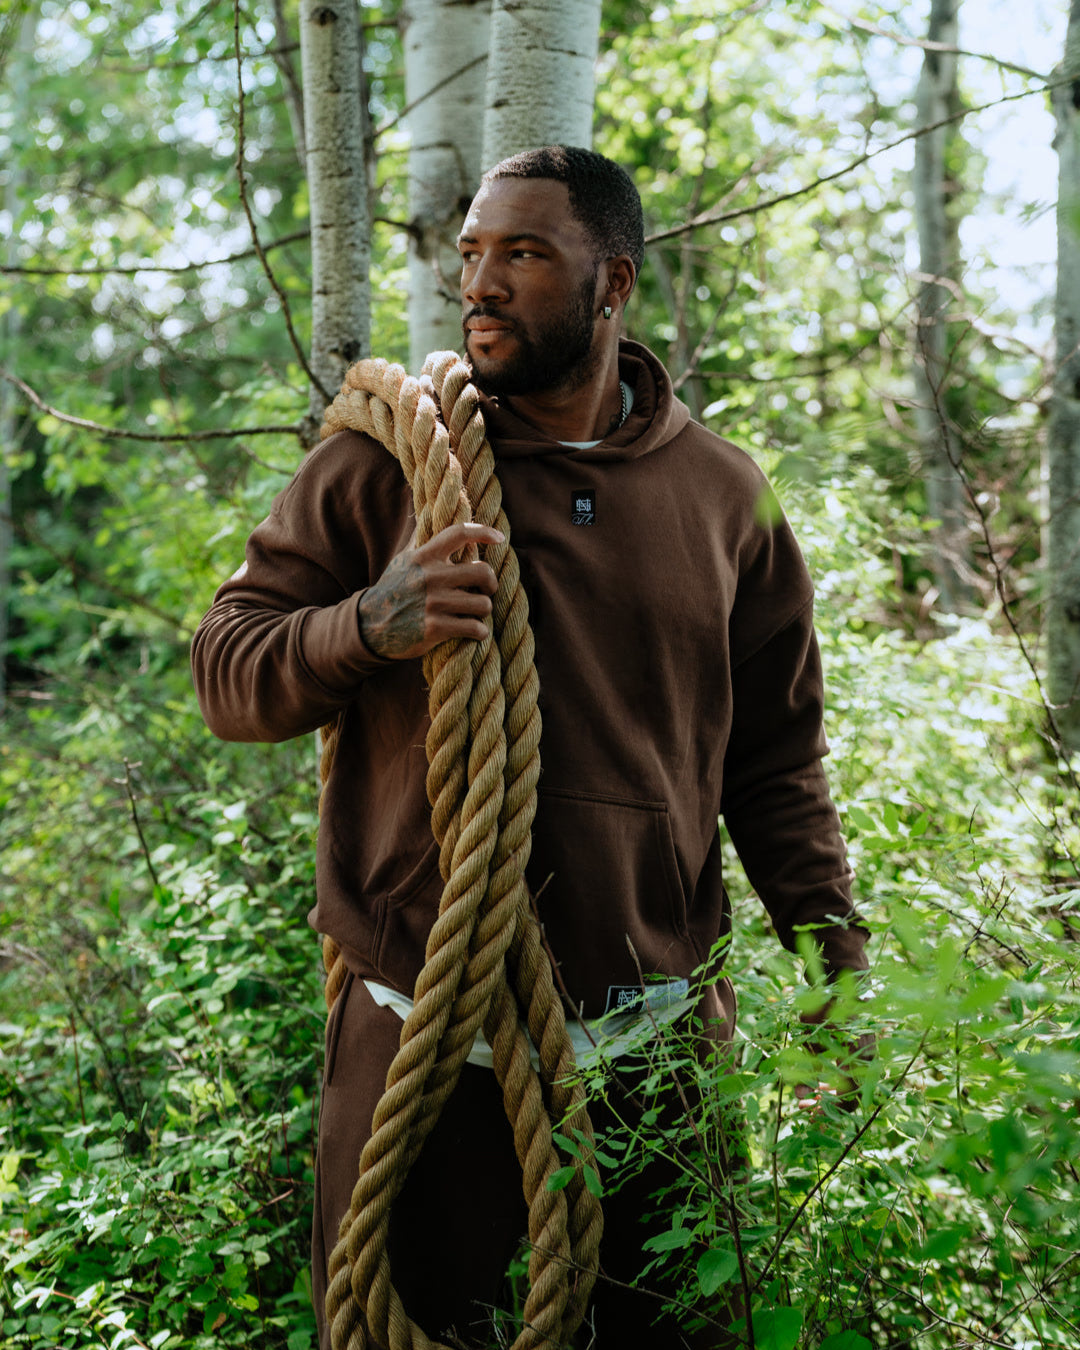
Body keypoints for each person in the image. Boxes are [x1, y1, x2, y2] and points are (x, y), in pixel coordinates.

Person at [191, 144, 869, 1350]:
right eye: (470, 255)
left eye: (523, 255)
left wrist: (834, 962)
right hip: (423, 1047)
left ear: (612, 285)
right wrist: (366, 624)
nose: (481, 283)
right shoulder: (387, 466)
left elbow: (776, 766)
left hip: (655, 1058)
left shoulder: (724, 498)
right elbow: (227, 675)